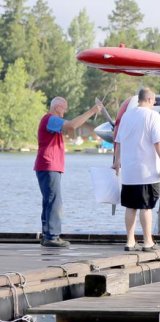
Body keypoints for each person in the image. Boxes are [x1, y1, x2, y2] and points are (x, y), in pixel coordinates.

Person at [34, 97, 102, 247]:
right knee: (54, 201)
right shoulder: (50, 119)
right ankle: (52, 236)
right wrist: (92, 111)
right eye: (64, 109)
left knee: (49, 200)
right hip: (49, 165)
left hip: (47, 166)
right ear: (58, 107)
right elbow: (71, 125)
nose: (64, 113)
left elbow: (69, 130)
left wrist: (70, 130)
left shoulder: (50, 121)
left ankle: (47, 235)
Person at [113, 88, 160, 252]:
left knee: (130, 207)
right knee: (146, 207)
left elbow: (119, 141)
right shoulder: (154, 116)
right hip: (148, 171)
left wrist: (117, 161)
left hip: (129, 172)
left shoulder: (126, 116)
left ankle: (130, 241)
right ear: (150, 100)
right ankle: (147, 241)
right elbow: (158, 143)